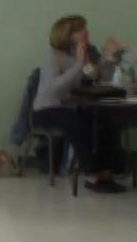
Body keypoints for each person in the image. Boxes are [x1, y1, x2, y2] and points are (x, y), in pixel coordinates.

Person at [33, 15, 126, 193]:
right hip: (48, 109)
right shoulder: (54, 55)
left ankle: (111, 169)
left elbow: (97, 78)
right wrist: (79, 64)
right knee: (77, 123)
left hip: (71, 107)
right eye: (82, 30)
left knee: (105, 121)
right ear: (70, 34)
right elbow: (54, 88)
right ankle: (93, 173)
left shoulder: (87, 51)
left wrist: (109, 60)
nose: (87, 33)